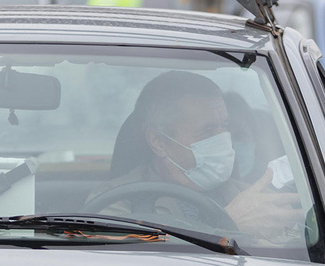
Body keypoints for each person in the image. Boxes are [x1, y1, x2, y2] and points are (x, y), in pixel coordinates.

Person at [88, 70, 300, 242]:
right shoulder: (116, 201)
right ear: (158, 142)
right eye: (207, 131)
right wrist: (228, 226)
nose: (224, 139)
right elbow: (121, 263)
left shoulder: (249, 197)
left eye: (225, 127)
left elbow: (297, 251)